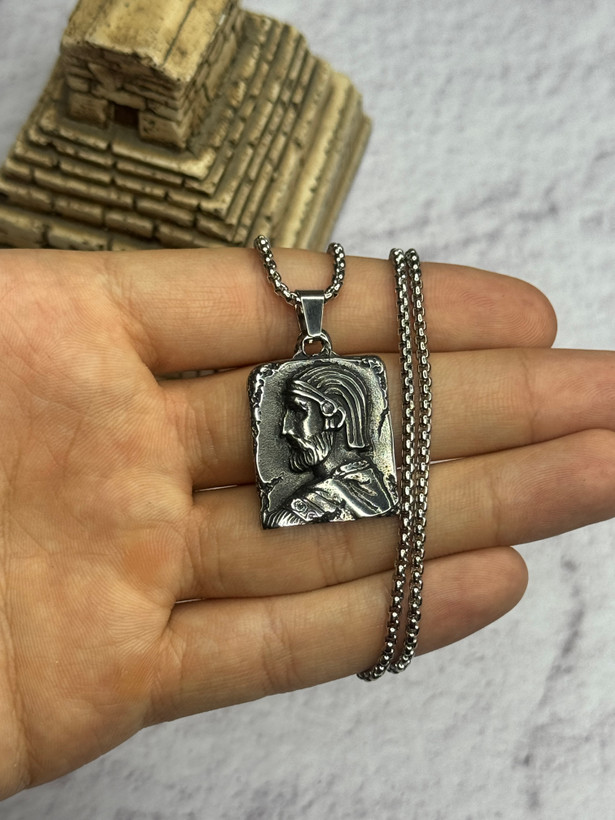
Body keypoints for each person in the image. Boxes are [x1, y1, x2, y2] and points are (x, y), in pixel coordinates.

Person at [1, 246, 614, 800]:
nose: (288, 431)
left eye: (300, 416)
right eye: (288, 416)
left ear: (340, 420)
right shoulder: (301, 498)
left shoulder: (349, 492)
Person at [266, 362, 397, 526]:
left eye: (298, 412)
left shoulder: (291, 517)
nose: (286, 429)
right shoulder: (383, 491)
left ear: (335, 419)